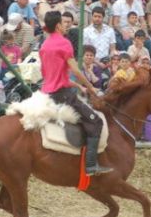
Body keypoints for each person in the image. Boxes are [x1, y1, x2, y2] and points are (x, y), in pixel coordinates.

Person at [40, 11, 112, 175]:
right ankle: (90, 165)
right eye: (64, 23)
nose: (67, 26)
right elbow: (77, 71)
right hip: (62, 94)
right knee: (95, 121)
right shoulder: (64, 43)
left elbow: (51, 76)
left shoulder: (44, 46)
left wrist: (79, 87)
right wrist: (90, 87)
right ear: (58, 25)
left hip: (46, 94)